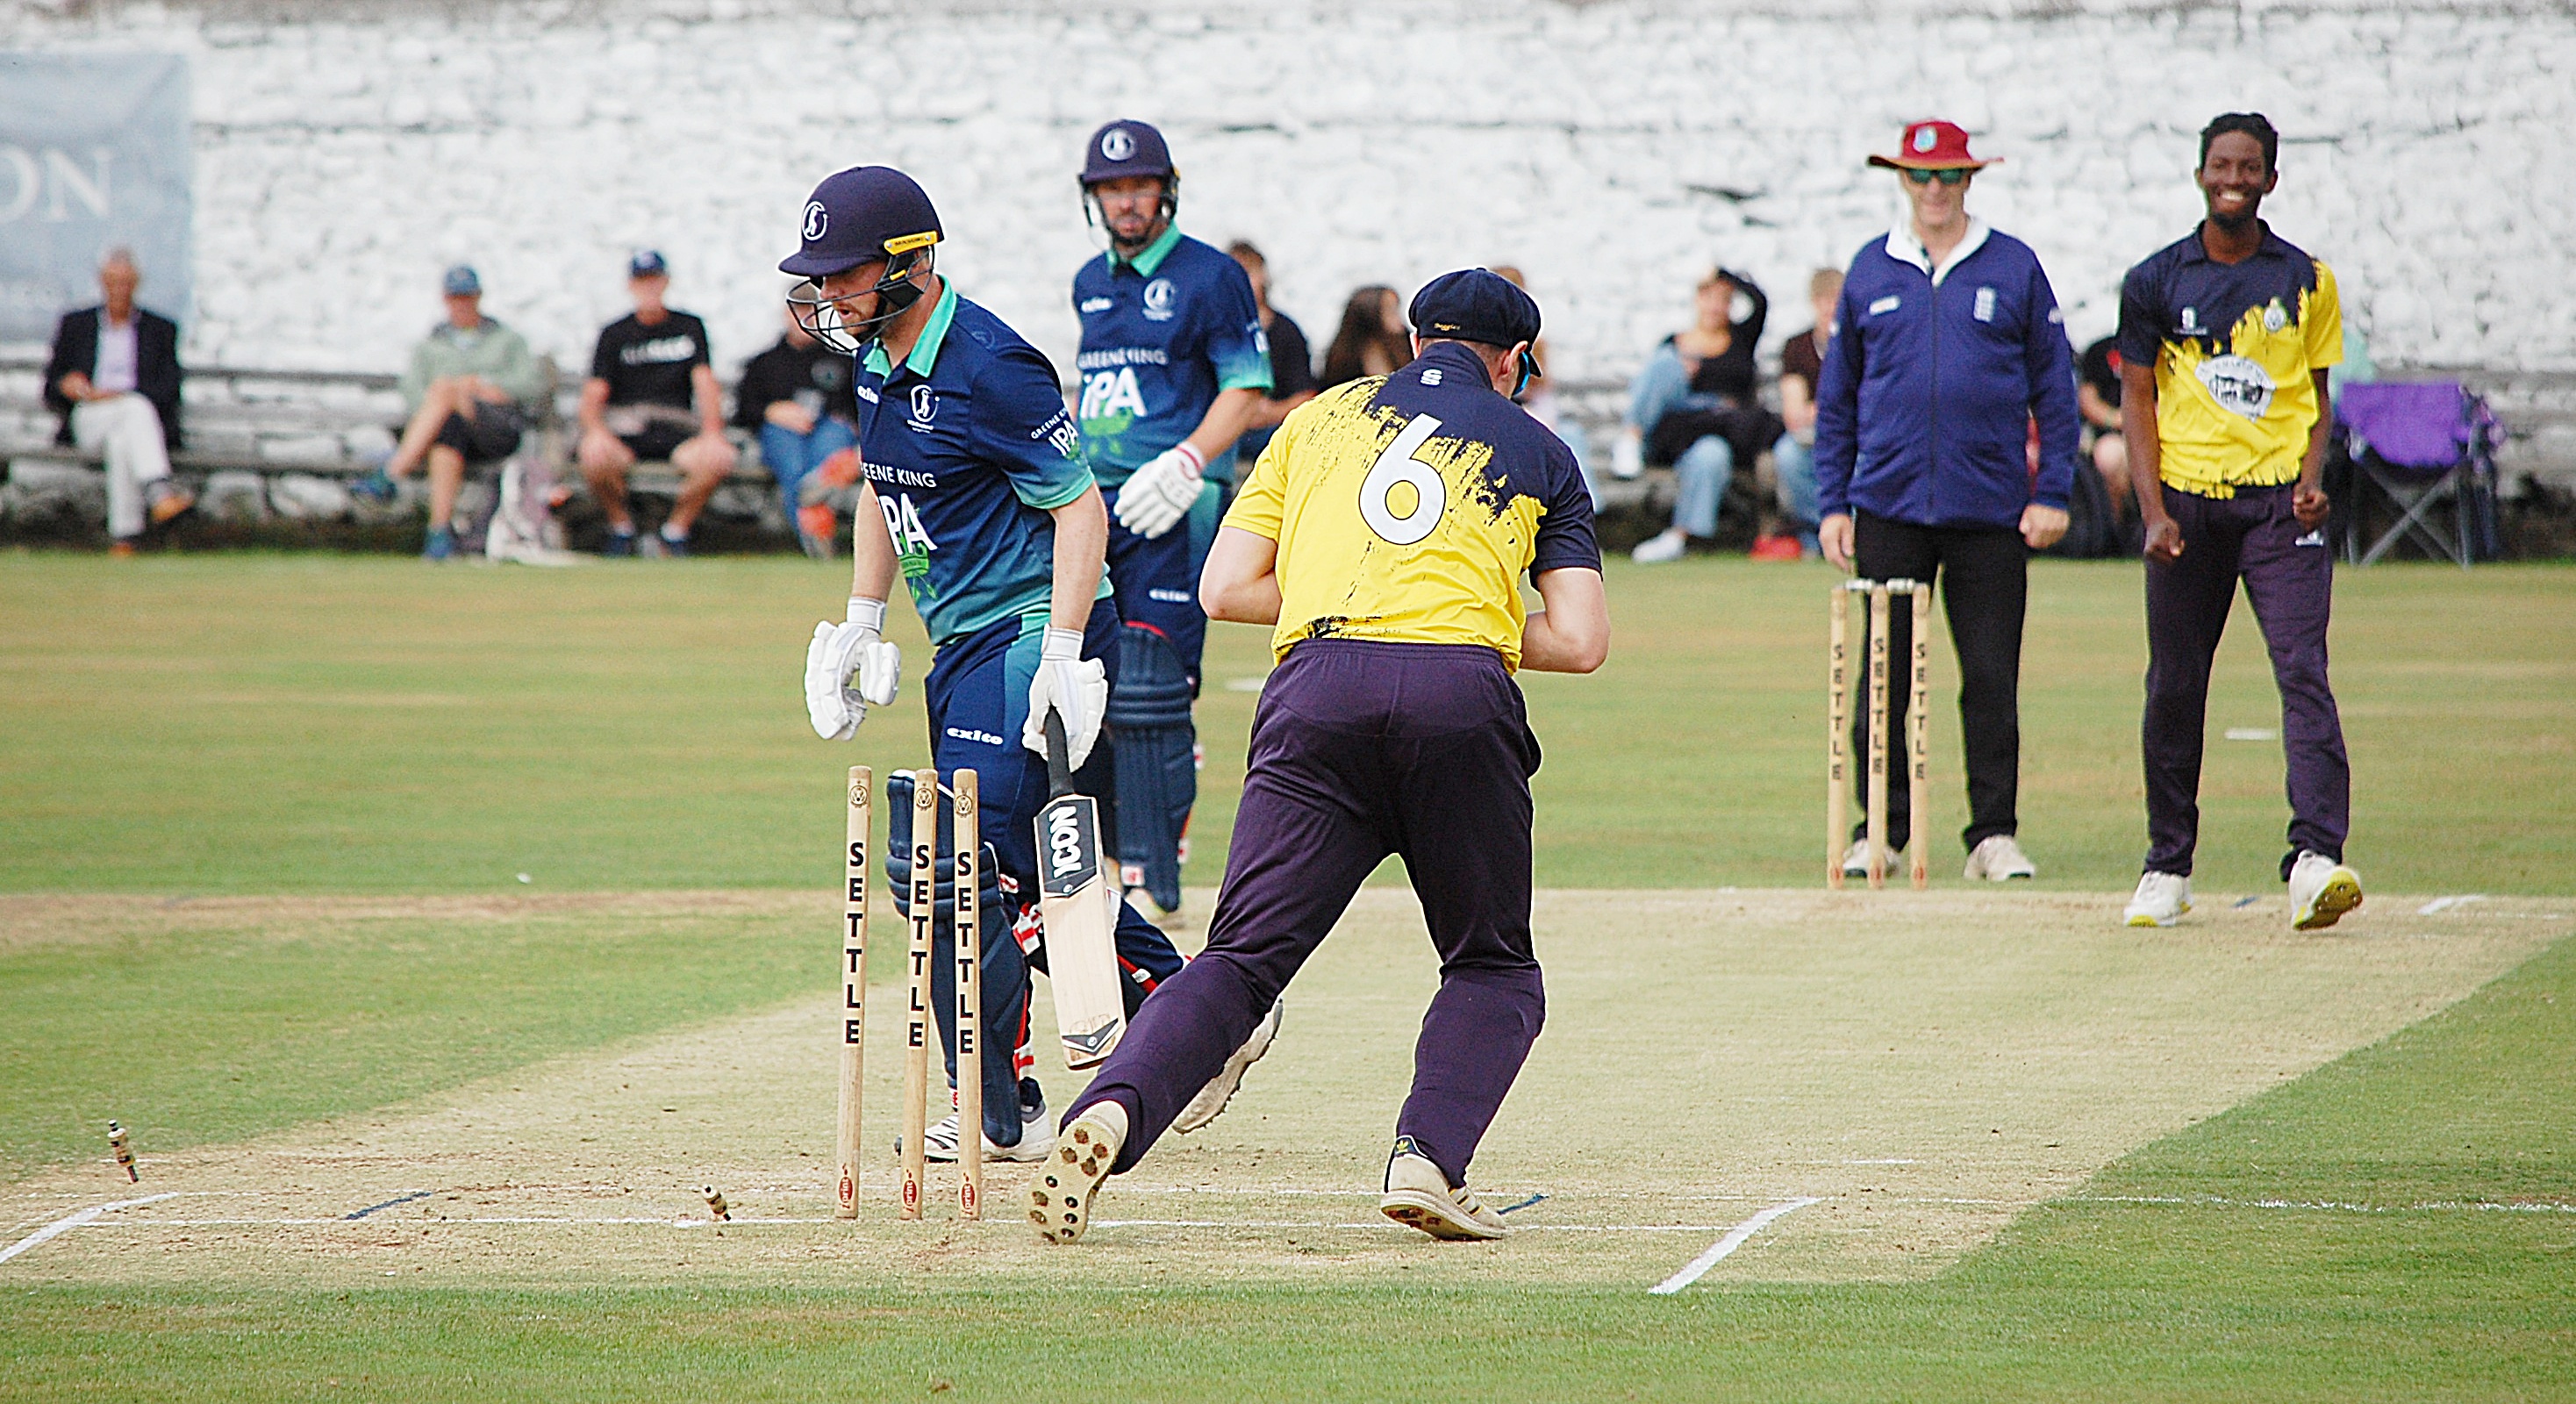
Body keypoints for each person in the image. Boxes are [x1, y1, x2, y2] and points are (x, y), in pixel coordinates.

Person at [1032, 269, 1609, 1246]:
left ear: (1417, 340)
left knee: (1240, 960)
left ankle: (1110, 1110)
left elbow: (1223, 588)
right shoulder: (1540, 448)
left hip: (1316, 687)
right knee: (1491, 965)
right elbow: (1582, 640)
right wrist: (1462, 613)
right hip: (1457, 695)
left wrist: (1344, 601)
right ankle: (1427, 1158)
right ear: (1509, 363)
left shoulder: (1316, 422)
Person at [791, 164, 1199, 1164]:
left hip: (1030, 629)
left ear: (908, 265)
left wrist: (1062, 649)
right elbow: (884, 491)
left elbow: (1079, 506)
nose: (828, 296)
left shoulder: (990, 363)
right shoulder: (879, 359)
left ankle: (1015, 1097)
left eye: (843, 276)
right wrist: (859, 620)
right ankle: (1178, 1017)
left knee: (958, 865)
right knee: (995, 864)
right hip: (962, 639)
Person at [2115, 112, 2363, 932]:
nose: (2234, 178)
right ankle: (2167, 867)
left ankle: (2316, 857)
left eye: (2249, 167)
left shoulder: (2306, 280)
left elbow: (2317, 402)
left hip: (2277, 510)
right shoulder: (2155, 281)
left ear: (2270, 180)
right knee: (2176, 686)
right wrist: (2151, 511)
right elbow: (2138, 399)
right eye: (2221, 165)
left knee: (2301, 671)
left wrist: (2310, 482)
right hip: (2187, 507)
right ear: (2200, 177)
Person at [1814, 118, 2078, 883]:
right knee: (1882, 676)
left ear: (1970, 180)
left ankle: (1992, 834)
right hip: (1889, 505)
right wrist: (1834, 502)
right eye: (1923, 176)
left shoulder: (2014, 265)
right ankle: (1880, 833)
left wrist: (2052, 489)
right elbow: (1839, 400)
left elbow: (2053, 389)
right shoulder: (1872, 269)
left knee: (1991, 674)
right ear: (1902, 179)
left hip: (1990, 507)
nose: (1936, 191)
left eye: (1950, 177)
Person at [1070, 119, 1272, 922]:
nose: (1126, 201)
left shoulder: (1210, 275)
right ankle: (1102, 865)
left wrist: (1189, 461)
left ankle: (1160, 876)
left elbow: (1245, 386)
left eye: (1139, 186)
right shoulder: (1089, 278)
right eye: (1111, 189)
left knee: (1152, 690)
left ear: (1166, 191)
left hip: (1177, 504)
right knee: (1082, 678)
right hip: (1097, 505)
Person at [356, 265, 549, 560]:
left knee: (449, 390)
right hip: (451, 427)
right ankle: (439, 533)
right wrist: (447, 399)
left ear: (479, 296)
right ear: (446, 299)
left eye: (468, 296)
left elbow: (532, 385)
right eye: (456, 297)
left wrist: (486, 387)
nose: (462, 303)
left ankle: (391, 473)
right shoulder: (431, 345)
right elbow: (412, 394)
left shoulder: (507, 340)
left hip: (496, 427)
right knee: (447, 432)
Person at [577, 250, 737, 556]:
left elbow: (705, 383)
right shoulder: (615, 334)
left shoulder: (689, 327)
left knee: (718, 457)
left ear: (665, 282)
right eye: (641, 281)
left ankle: (675, 530)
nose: (648, 287)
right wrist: (596, 432)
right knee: (593, 455)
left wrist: (713, 432)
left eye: (654, 280)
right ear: (630, 285)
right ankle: (621, 525)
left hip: (676, 428)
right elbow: (593, 395)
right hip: (627, 430)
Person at [1623, 267, 1780, 562]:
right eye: (1709, 297)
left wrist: (1723, 273)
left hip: (1717, 432)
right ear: (1697, 300)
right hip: (1676, 428)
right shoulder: (1674, 344)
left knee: (1712, 455)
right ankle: (1631, 437)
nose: (1715, 307)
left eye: (1723, 299)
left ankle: (1681, 536)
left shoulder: (1740, 339)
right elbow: (1652, 390)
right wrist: (1684, 372)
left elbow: (1760, 302)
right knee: (1666, 365)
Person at [41, 247, 190, 555]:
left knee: (123, 438)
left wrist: (117, 394)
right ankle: (160, 492)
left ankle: (125, 538)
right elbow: (51, 388)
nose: (119, 290)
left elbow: (168, 390)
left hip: (136, 420)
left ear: (137, 284)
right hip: (89, 417)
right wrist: (70, 386)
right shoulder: (77, 325)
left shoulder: (159, 329)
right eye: (113, 282)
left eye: (125, 282)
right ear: (101, 283)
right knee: (132, 410)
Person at [733, 291, 861, 557]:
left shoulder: (841, 361)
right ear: (786, 314)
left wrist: (837, 417)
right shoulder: (765, 363)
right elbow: (743, 411)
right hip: (782, 435)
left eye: (810, 311)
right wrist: (773, 411)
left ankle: (815, 504)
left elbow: (858, 407)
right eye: (798, 311)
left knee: (830, 443)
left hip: (827, 432)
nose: (804, 318)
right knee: (792, 462)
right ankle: (813, 523)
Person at [1764, 268, 1844, 560]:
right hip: (1812, 436)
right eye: (1823, 299)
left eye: (1836, 299)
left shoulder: (1857, 344)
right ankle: (1820, 529)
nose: (1830, 308)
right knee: (1787, 455)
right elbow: (1795, 412)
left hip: (1850, 435)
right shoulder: (1798, 348)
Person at [1225, 240, 1318, 479]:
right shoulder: (1215, 332)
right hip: (1228, 433)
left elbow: (1306, 396)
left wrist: (1271, 411)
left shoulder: (1286, 331)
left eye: (1249, 273)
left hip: (1269, 429)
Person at [1317, 285, 1412, 388]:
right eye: (1390, 311)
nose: (1398, 319)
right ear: (1371, 315)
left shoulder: (1407, 344)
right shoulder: (1344, 361)